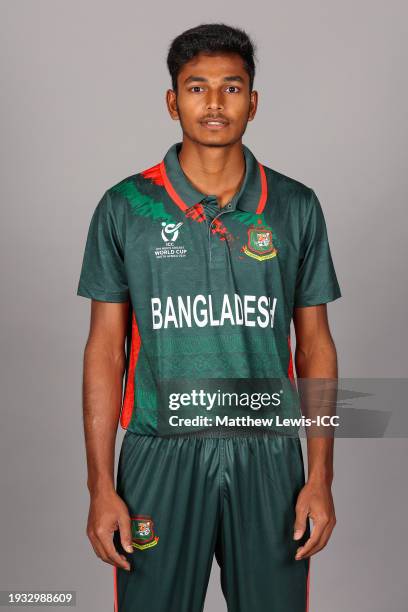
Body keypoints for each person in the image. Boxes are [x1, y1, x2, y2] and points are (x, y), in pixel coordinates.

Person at [77, 22, 341, 612]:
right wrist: (99, 487)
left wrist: (320, 478)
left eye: (231, 87)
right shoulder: (127, 207)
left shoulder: (296, 206)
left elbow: (316, 346)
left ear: (253, 100)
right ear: (173, 101)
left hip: (267, 454)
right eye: (197, 88)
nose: (215, 104)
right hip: (158, 451)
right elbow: (104, 349)